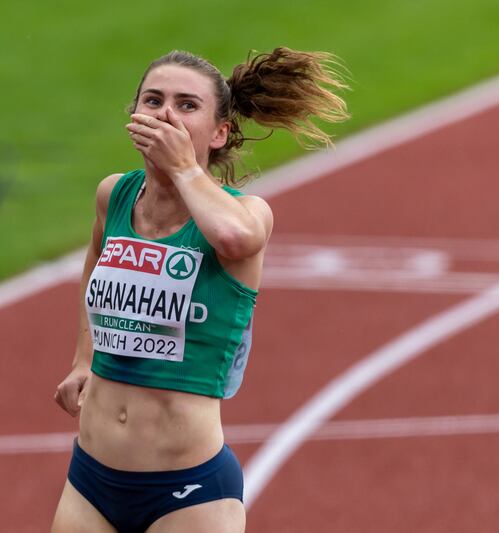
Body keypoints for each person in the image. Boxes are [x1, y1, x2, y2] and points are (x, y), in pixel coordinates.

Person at [51, 47, 348, 533]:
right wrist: (84, 357)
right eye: (153, 100)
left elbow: (236, 239)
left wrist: (185, 170)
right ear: (134, 115)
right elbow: (93, 271)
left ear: (219, 133)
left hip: (186, 491)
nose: (165, 113)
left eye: (187, 105)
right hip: (91, 478)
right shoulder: (115, 195)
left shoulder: (246, 212)